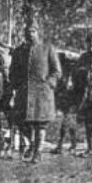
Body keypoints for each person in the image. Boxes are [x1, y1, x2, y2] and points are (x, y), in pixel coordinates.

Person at [9, 13, 61, 163]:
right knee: (21, 121)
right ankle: (32, 144)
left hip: (42, 93)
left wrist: (49, 83)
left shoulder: (47, 48)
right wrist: (15, 85)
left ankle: (37, 152)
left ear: (38, 32)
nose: (30, 34)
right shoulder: (19, 51)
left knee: (40, 124)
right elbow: (13, 71)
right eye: (27, 32)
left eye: (33, 31)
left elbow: (57, 71)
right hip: (24, 93)